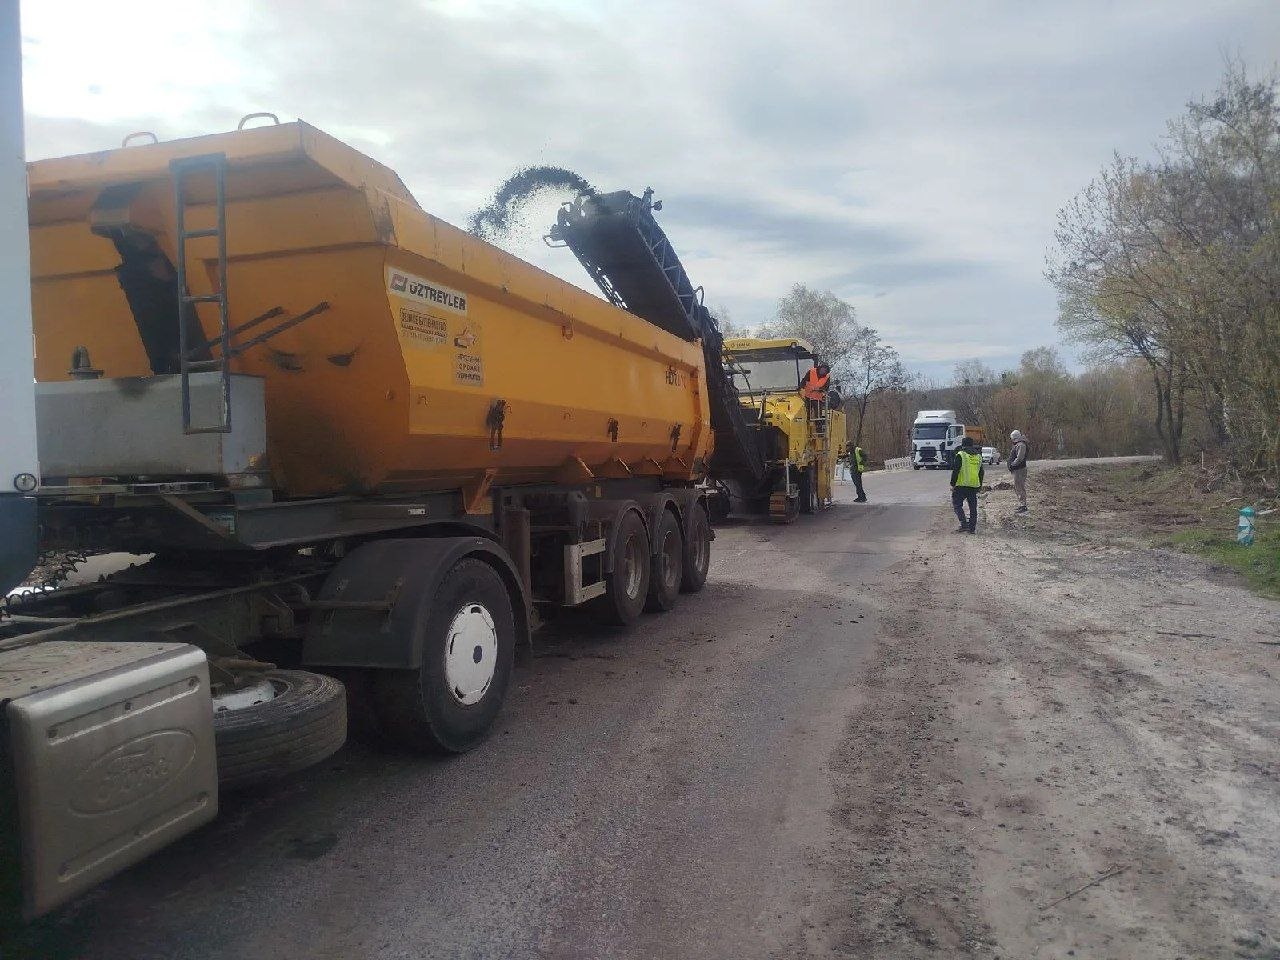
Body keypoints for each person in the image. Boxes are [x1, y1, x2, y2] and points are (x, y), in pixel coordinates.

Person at [950, 435, 984, 534]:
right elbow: (981, 472)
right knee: (973, 508)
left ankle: (964, 524)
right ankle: (972, 528)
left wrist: (952, 484)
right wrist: (980, 485)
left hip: (961, 485)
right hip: (973, 486)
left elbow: (955, 470)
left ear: (963, 445)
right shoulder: (978, 456)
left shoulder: (961, 455)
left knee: (957, 505)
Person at [1008, 429, 1029, 513]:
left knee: (1020, 487)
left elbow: (1019, 458)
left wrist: (1012, 464)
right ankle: (1022, 504)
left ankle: (1023, 505)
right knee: (1018, 487)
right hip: (1018, 469)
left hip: (1019, 469)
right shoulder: (1019, 444)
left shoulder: (1021, 445)